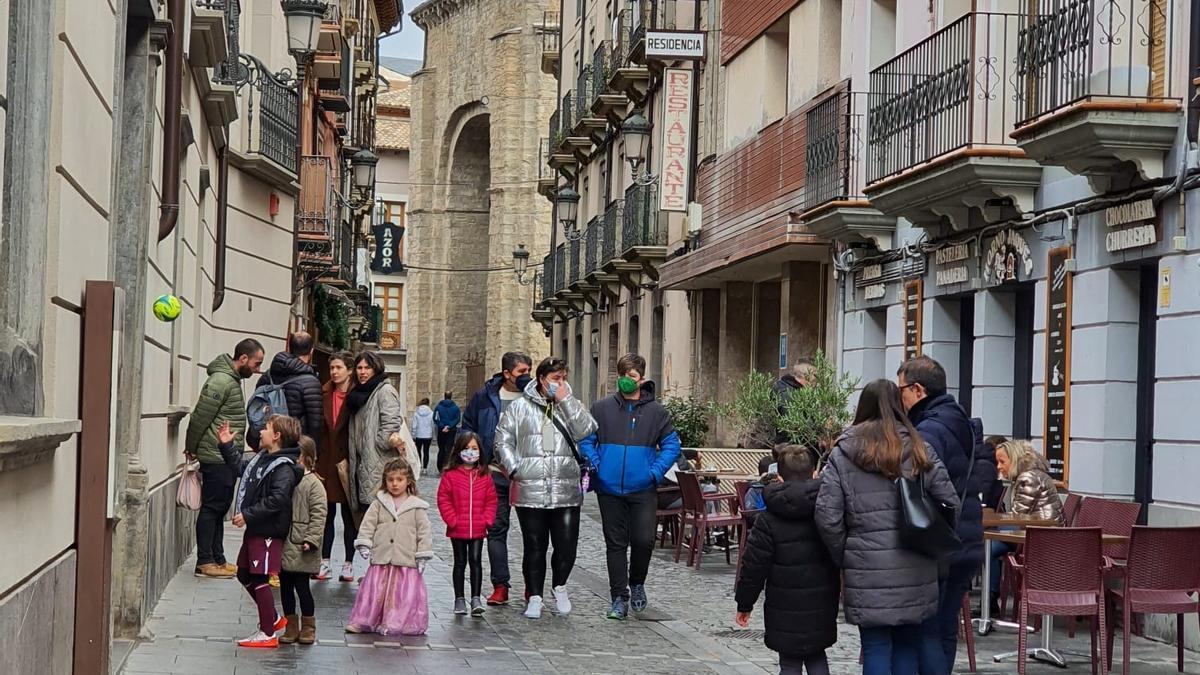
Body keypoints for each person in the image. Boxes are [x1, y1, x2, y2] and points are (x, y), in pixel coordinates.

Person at [815, 379, 960, 675]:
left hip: (866, 565)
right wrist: (932, 542)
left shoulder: (843, 453)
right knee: (908, 644)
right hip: (916, 561)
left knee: (875, 647)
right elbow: (950, 504)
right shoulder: (920, 448)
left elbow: (827, 515)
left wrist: (845, 552)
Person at [494, 357, 597, 619]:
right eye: (555, 379)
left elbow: (587, 430)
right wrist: (515, 469)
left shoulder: (571, 404)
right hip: (531, 488)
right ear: (541, 379)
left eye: (563, 378)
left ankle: (559, 586)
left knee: (566, 544)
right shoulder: (519, 408)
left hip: (565, 487)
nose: (560, 383)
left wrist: (566, 401)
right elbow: (502, 440)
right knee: (534, 545)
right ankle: (535, 596)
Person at [897, 356, 982, 674]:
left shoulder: (929, 430)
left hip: (939, 544)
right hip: (965, 539)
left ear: (918, 389)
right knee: (945, 629)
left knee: (928, 632)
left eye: (901, 389)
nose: (899, 398)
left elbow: (922, 489)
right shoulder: (959, 420)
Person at [580, 353, 681, 619]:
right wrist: (596, 462)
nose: (626, 381)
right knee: (615, 543)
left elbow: (672, 445)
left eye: (632, 376)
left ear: (642, 379)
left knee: (643, 540)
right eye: (622, 376)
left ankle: (637, 582)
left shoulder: (657, 413)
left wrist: (655, 472)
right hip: (609, 488)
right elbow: (587, 439)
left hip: (643, 487)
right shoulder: (601, 408)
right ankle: (618, 598)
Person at [736, 448, 840, 675]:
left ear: (780, 478)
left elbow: (753, 566)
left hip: (782, 605)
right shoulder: (828, 511)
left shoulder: (768, 519)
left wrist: (745, 603)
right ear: (815, 474)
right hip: (821, 602)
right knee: (816, 656)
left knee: (790, 663)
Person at [217, 414, 303, 649]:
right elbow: (240, 469)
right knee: (244, 573)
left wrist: (248, 514)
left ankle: (268, 633)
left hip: (268, 530)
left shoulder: (283, 467)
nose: (260, 432)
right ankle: (273, 618)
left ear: (276, 436)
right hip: (257, 527)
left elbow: (277, 500)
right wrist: (226, 445)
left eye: (265, 428)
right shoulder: (262, 459)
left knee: (259, 577)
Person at [185, 338, 264, 578]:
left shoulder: (232, 379)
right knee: (212, 508)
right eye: (256, 363)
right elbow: (200, 416)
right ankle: (205, 561)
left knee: (219, 509)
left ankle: (218, 559)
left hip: (224, 455)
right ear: (243, 359)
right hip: (215, 456)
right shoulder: (221, 381)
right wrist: (191, 447)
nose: (258, 369)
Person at [462, 351, 533, 606]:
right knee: (496, 530)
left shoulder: (534, 396)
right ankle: (500, 585)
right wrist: (472, 456)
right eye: (521, 372)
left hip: (527, 475)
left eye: (529, 371)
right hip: (493, 473)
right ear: (507, 373)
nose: (527, 377)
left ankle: (532, 586)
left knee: (532, 534)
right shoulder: (485, 397)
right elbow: (468, 425)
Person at [346, 458, 432, 635]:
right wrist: (364, 541)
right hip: (382, 558)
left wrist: (422, 554)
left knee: (400, 595)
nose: (394, 484)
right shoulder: (379, 503)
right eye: (390, 480)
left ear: (408, 481)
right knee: (375, 594)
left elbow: (424, 532)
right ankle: (364, 620)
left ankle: (395, 622)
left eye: (399, 480)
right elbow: (368, 524)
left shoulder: (417, 507)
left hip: (405, 559)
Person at [987, 440, 1064, 603]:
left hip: (1041, 539)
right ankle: (989, 599)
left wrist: (995, 520)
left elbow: (1018, 517)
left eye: (1002, 462)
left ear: (1014, 460)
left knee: (989, 548)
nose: (999, 467)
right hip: (1040, 534)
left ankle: (990, 600)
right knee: (990, 544)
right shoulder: (1030, 474)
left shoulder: (1028, 478)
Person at [347, 351, 417, 517]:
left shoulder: (384, 391)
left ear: (376, 369)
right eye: (359, 367)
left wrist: (380, 443)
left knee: (378, 514)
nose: (363, 372)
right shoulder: (359, 393)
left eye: (367, 368)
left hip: (379, 462)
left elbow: (391, 423)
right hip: (362, 462)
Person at [436, 432, 497, 617]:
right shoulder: (451, 475)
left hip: (478, 527)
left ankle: (476, 597)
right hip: (458, 528)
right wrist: (452, 519)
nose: (470, 452)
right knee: (460, 563)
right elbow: (443, 499)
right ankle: (459, 598)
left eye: (474, 448)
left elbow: (491, 500)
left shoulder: (484, 476)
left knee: (476, 561)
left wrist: (487, 520)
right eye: (467, 448)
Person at [279, 436, 327, 645]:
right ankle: (290, 624)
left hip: (302, 544)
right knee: (285, 587)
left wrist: (311, 539)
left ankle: (308, 626)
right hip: (285, 542)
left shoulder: (314, 484)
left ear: (304, 458)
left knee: (302, 587)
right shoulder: (287, 478)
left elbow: (319, 515)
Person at [316, 351, 358, 583]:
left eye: (338, 367)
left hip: (348, 461)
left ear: (349, 370)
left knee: (350, 515)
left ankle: (349, 564)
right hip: (325, 460)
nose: (334, 372)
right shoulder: (323, 392)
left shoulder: (357, 395)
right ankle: (324, 561)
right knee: (326, 514)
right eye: (332, 368)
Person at [248, 332, 324, 450]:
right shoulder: (311, 382)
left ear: (289, 348)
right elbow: (315, 423)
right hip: (293, 449)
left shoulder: (268, 376)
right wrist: (313, 454)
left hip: (268, 445)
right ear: (311, 351)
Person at [433, 391, 462, 471]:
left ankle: (440, 467)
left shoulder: (438, 407)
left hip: (441, 430)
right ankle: (447, 466)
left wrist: (442, 425)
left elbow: (435, 418)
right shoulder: (456, 408)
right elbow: (457, 419)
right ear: (451, 396)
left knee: (441, 449)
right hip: (451, 430)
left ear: (444, 396)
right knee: (449, 449)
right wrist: (449, 426)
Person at [410, 397, 435, 471]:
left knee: (418, 451)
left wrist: (413, 434)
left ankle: (419, 465)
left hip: (419, 435)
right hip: (428, 435)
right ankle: (425, 468)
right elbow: (432, 425)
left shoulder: (416, 413)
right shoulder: (431, 413)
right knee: (426, 451)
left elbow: (414, 425)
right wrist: (433, 434)